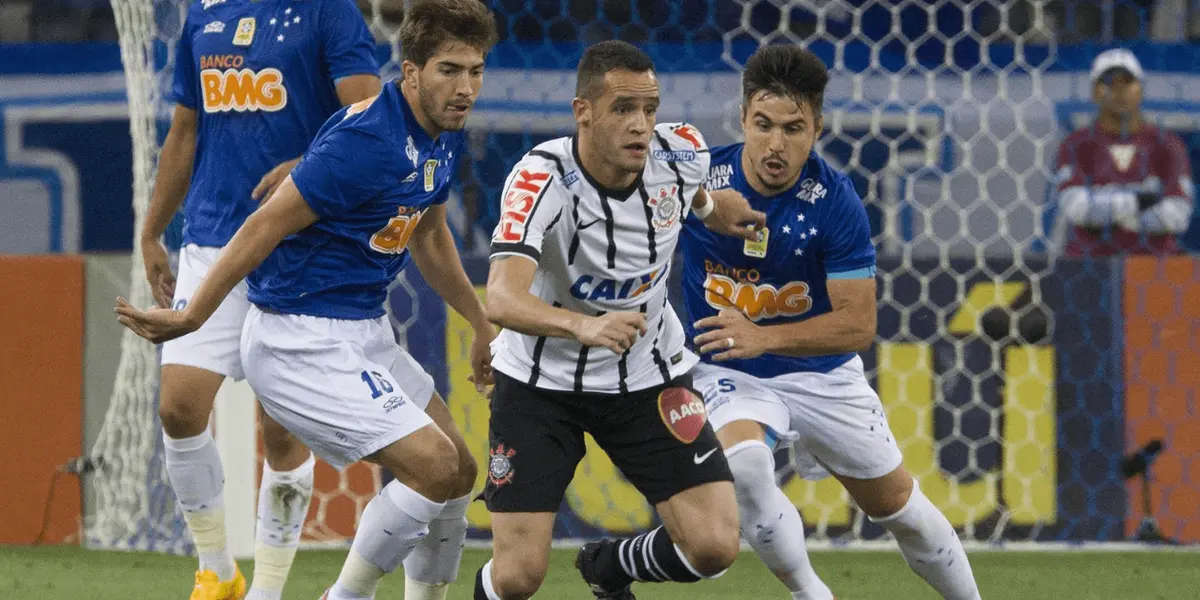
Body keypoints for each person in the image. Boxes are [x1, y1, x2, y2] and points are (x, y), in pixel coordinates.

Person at [117, 2, 498, 600]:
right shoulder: (368, 138)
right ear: (411, 70)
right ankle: (333, 594)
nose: (466, 88)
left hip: (361, 330)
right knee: (434, 468)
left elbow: (427, 231)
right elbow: (264, 225)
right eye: (451, 70)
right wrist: (193, 314)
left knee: (460, 472)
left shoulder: (440, 137)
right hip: (300, 338)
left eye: (476, 71)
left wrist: (479, 321)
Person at [679, 45, 983, 600]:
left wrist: (761, 335)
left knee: (904, 513)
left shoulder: (835, 201)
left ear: (817, 127)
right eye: (763, 124)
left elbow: (857, 325)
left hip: (822, 373)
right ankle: (811, 592)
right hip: (729, 372)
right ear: (743, 117)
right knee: (745, 468)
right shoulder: (696, 182)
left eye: (793, 128)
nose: (776, 144)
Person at [476, 40, 767, 600]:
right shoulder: (540, 178)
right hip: (542, 386)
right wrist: (583, 326)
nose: (641, 126)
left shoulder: (681, 152)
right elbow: (502, 300)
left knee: (714, 547)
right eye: (623, 109)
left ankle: (610, 567)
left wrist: (713, 208)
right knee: (517, 578)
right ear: (582, 111)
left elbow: (696, 195)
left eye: (650, 109)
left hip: (646, 378)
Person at [140, 0, 381, 597]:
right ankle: (217, 572)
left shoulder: (327, 12)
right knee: (179, 407)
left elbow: (371, 114)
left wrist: (307, 164)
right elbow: (185, 129)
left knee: (281, 431)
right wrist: (151, 231)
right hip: (211, 241)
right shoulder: (203, 14)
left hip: (298, 244)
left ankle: (269, 591)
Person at [1054, 48, 1194, 257]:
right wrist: (1139, 201)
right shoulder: (1076, 144)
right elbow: (1077, 209)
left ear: (1140, 90)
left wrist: (1107, 210)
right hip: (1090, 266)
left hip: (1154, 268)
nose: (1119, 91)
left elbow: (1177, 215)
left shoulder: (1168, 145)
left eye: (1127, 82)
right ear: (1094, 92)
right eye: (1109, 83)